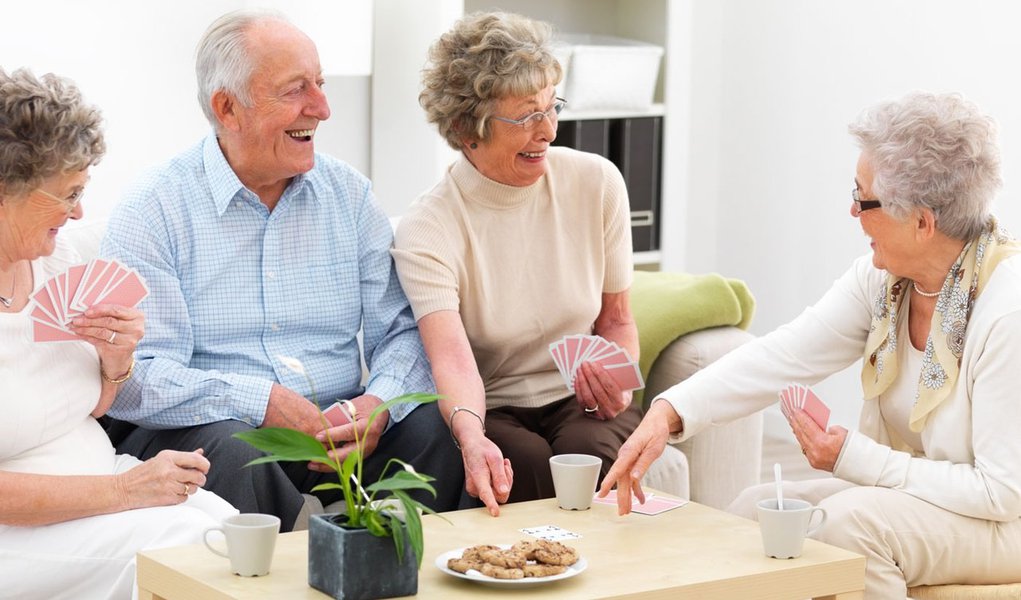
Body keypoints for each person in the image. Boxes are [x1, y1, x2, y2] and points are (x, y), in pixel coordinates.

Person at [600, 91, 1021, 596]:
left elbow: (1001, 493)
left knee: (849, 524)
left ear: (922, 222)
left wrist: (854, 457)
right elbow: (786, 354)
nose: (850, 210)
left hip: (1003, 519)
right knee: (752, 512)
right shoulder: (885, 281)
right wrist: (669, 412)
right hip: (931, 497)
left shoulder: (1007, 315)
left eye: (862, 198)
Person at [100, 9, 463, 532]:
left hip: (340, 432)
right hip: (221, 430)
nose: (323, 108)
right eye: (297, 90)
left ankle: (408, 578)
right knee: (226, 446)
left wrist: (378, 403)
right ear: (228, 108)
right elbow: (136, 376)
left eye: (320, 84)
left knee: (436, 424)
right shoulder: (153, 209)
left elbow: (403, 330)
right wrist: (260, 402)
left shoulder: (350, 196)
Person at [0, 67, 236, 599]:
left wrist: (115, 360)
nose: (80, 210)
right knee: (188, 552)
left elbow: (90, 405)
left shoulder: (62, 259)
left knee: (229, 533)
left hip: (98, 483)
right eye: (67, 193)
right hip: (17, 533)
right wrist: (125, 491)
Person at [392, 11, 641, 515]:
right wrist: (469, 434)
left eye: (552, 108)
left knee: (586, 456)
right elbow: (452, 361)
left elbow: (616, 320)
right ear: (468, 129)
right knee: (522, 462)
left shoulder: (597, 183)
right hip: (495, 405)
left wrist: (619, 381)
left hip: (581, 397)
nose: (547, 131)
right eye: (526, 116)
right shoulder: (429, 226)